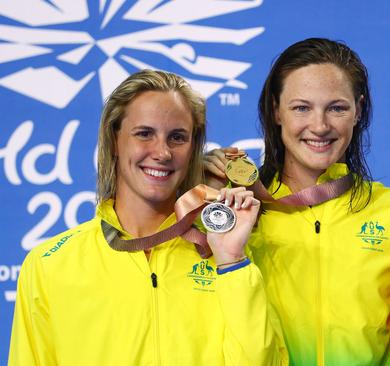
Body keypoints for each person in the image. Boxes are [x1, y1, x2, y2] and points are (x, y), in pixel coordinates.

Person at [8, 70, 288, 365]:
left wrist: (232, 262)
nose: (163, 152)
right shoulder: (50, 265)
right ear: (114, 140)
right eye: (144, 133)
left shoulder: (231, 255)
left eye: (177, 137)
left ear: (193, 148)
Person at [204, 38, 390, 365]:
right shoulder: (235, 212)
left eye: (336, 108)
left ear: (358, 110)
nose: (320, 126)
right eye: (301, 108)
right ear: (276, 110)